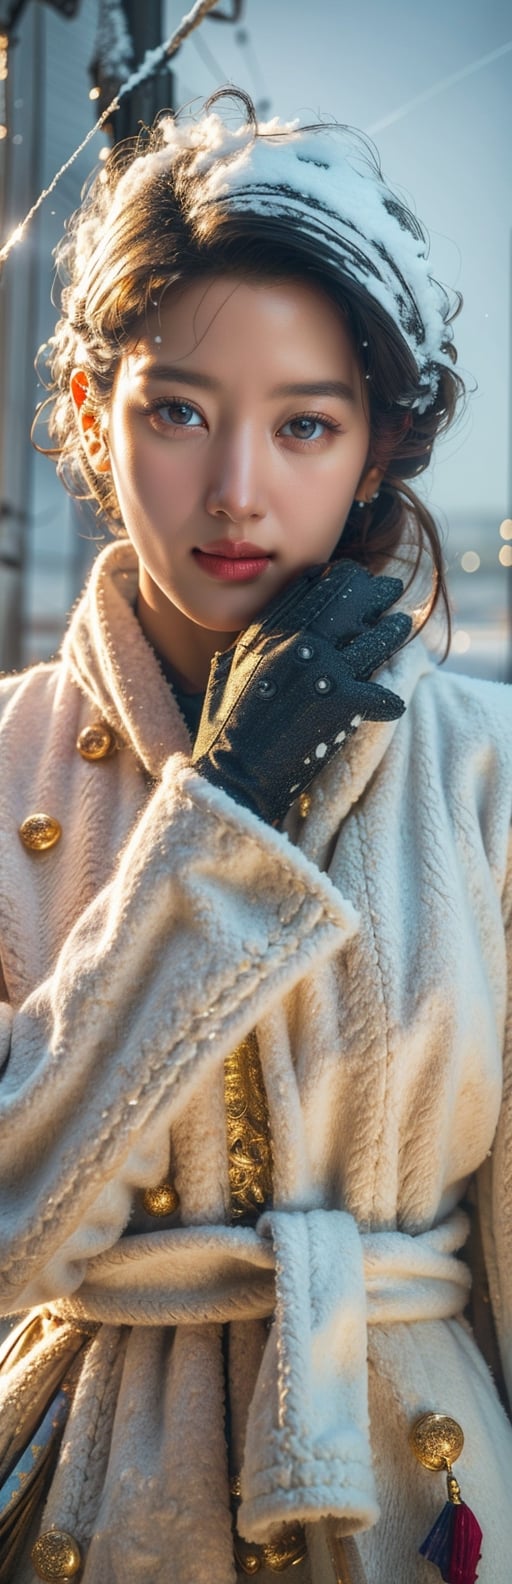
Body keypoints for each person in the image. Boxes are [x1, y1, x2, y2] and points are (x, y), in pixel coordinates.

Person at [0, 82, 510, 1584]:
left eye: (304, 424)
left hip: (425, 1505)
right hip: (81, 1505)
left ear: (378, 448)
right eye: (179, 411)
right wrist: (213, 822)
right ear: (96, 414)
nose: (237, 493)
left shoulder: (485, 775)